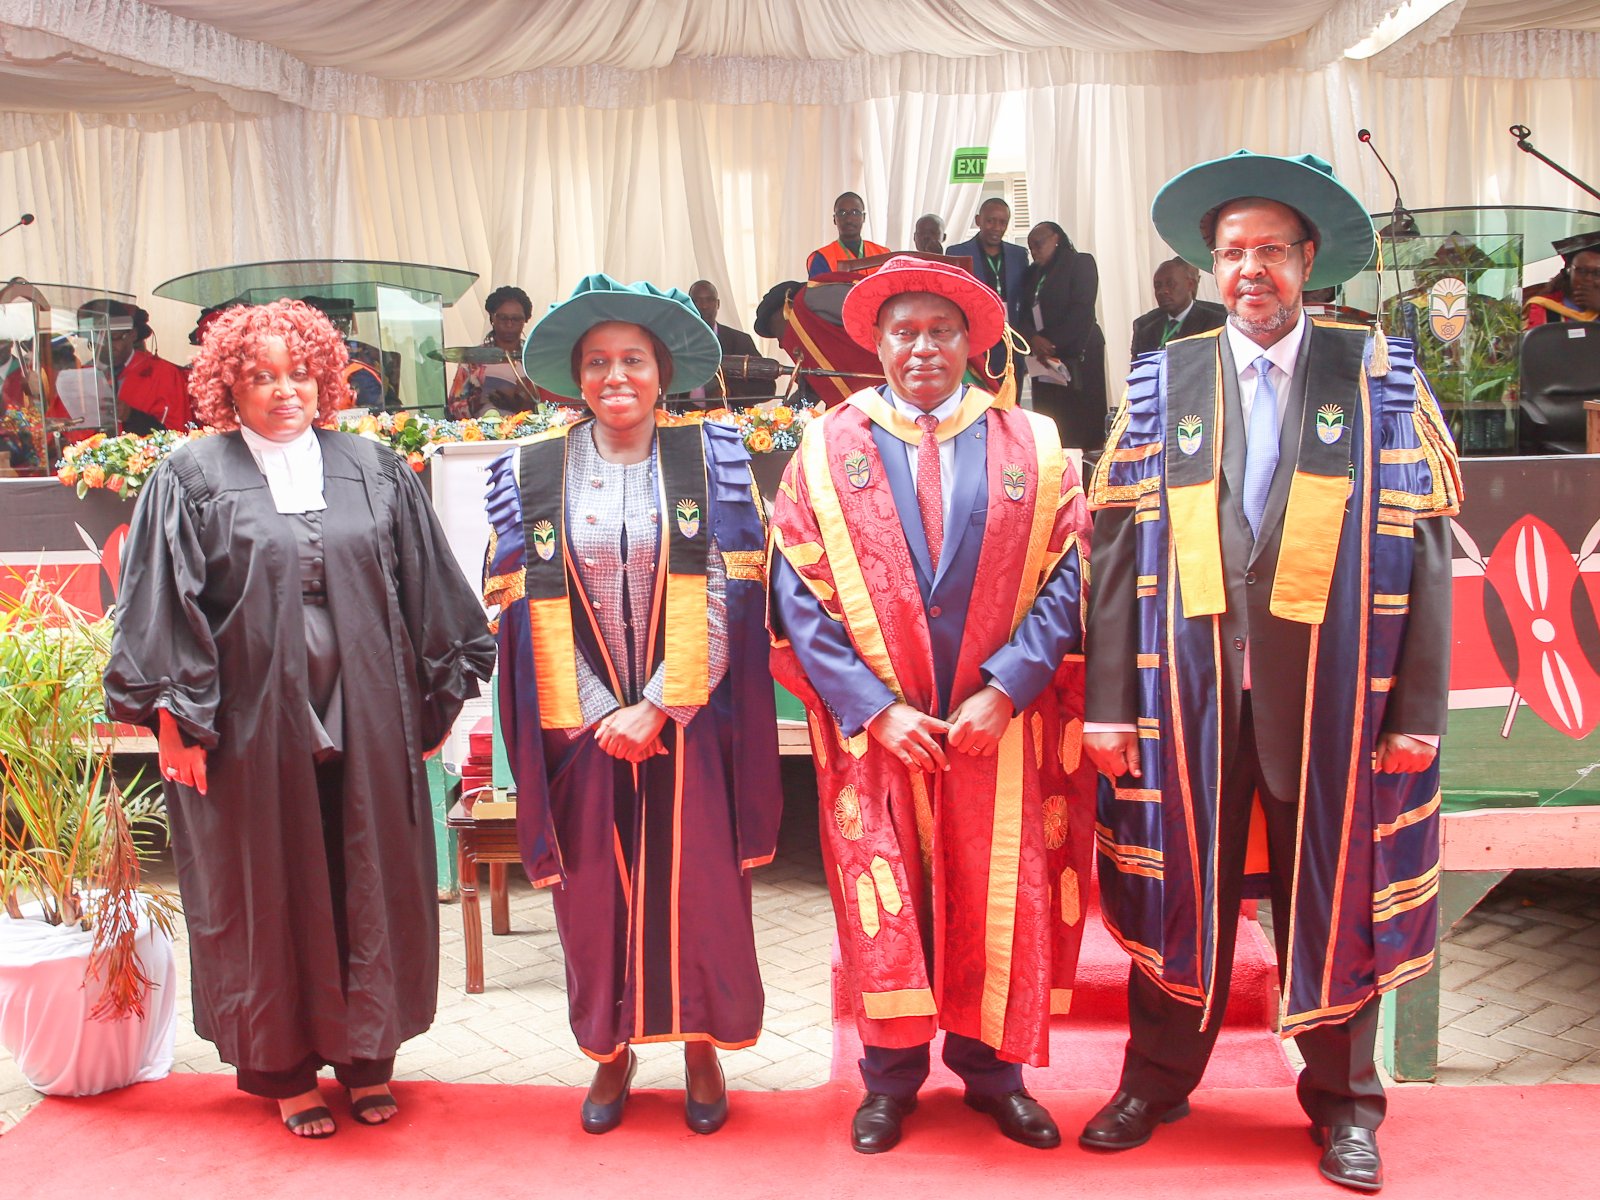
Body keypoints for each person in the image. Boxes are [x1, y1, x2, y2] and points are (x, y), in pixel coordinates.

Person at [1079, 150, 1460, 1194]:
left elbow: (1429, 550)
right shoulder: (1167, 378)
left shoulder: (1377, 375)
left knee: (1335, 892)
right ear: (1212, 265)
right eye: (1233, 252)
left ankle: (1345, 1105)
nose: (1251, 269)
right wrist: (1108, 705)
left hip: (1340, 698)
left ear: (1308, 261)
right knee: (1180, 887)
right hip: (1190, 695)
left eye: (1272, 252)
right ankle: (1155, 1083)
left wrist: (1417, 710)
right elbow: (1114, 550)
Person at [104, 299, 496, 1139]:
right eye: (261, 377)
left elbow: (428, 587)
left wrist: (435, 699)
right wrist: (176, 725)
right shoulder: (191, 476)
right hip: (247, 726)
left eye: (301, 374)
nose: (286, 391)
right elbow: (161, 610)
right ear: (227, 388)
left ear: (325, 379)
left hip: (370, 715)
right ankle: (283, 1069)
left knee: (366, 875)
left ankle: (366, 1057)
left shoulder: (374, 468)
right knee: (268, 885)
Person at [769, 255, 1095, 1155]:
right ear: (876, 344)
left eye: (941, 331)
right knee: (888, 893)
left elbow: (1069, 575)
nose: (922, 348)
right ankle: (889, 1081)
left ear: (971, 342)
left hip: (998, 728)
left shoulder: (1034, 443)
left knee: (997, 887)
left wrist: (1008, 688)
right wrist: (874, 708)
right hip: (881, 731)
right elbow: (796, 592)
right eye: (904, 332)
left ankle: (995, 1076)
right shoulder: (825, 447)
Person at [483, 274, 782, 1136]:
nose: (617, 376)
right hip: (579, 729)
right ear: (576, 377)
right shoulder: (531, 471)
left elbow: (735, 592)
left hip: (690, 720)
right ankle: (610, 1052)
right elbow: (513, 605)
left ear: (663, 373)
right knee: (593, 897)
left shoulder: (712, 458)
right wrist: (595, 709)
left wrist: (657, 705)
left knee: (701, 891)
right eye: (598, 362)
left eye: (634, 360)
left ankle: (701, 1045)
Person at [1018, 220, 1109, 452]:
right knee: (1051, 422)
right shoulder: (1032, 274)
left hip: (1078, 352)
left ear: (1056, 239)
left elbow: (1082, 308)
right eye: (1030, 247)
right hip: (1042, 357)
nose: (1034, 251)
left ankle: (1087, 469)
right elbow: (1023, 313)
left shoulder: (1080, 263)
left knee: (1082, 424)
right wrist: (1034, 340)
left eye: (1039, 244)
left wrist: (1051, 343)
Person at [76, 298, 190, 433]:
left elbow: (179, 433)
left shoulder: (164, 374)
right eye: (96, 340)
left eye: (113, 337)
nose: (105, 346)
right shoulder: (82, 377)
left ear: (132, 335)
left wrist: (131, 416)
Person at [946, 198, 1028, 378]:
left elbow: (1025, 300)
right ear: (978, 220)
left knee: (1011, 392)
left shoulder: (1019, 255)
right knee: (979, 392)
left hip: (1011, 341)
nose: (997, 227)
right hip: (976, 340)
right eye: (990, 221)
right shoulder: (957, 253)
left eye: (1002, 222)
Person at [446, 284, 535, 417]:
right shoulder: (473, 359)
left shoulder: (534, 357)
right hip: (482, 428)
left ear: (526, 320)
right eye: (503, 318)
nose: (509, 324)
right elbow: (454, 406)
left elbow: (549, 404)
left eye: (516, 319)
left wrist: (521, 402)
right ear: (492, 318)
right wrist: (478, 401)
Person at [688, 279, 775, 401]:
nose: (704, 306)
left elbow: (767, 387)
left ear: (718, 304)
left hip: (730, 411)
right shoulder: (675, 343)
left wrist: (730, 392)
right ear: (688, 305)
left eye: (710, 300)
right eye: (697, 301)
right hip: (683, 412)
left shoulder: (740, 341)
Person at [1128, 257, 1227, 356]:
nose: (1163, 291)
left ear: (1190, 284)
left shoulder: (1216, 322)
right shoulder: (1144, 326)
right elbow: (1136, 364)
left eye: (1170, 284)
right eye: (1158, 286)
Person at [1523, 232, 1600, 326]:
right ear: (1569, 271)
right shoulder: (1545, 306)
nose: (1588, 278)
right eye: (1582, 271)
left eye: (1597, 273)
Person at [808, 192, 891, 278]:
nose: (849, 220)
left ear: (864, 217)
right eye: (842, 213)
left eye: (855, 212)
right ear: (834, 219)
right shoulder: (822, 258)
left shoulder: (883, 254)